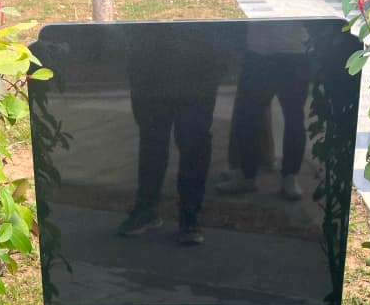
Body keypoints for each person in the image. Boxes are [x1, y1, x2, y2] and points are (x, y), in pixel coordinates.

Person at [120, 23, 230, 245]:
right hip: (152, 63)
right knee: (153, 140)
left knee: (193, 141)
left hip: (197, 64)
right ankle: (148, 209)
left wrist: (219, 58)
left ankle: (189, 216)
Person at [217, 22, 311, 201]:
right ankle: (248, 174)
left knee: (292, 118)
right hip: (263, 51)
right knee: (249, 117)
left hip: (291, 51)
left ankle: (288, 175)